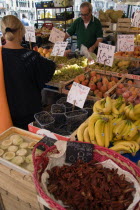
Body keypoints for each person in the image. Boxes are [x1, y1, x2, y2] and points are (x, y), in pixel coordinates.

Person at [1, 15, 56, 130]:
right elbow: (49, 69)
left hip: (5, 115)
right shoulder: (31, 56)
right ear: (21, 31)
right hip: (29, 115)